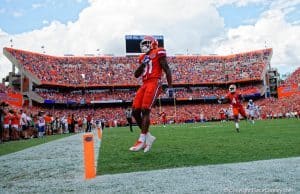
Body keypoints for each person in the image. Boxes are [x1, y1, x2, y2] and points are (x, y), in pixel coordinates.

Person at [130, 35, 172, 153]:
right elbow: (136, 75)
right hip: (144, 83)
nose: (144, 46)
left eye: (146, 43)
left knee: (145, 109)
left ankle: (142, 139)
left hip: (154, 82)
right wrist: (143, 64)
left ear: (153, 43)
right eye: (143, 44)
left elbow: (167, 69)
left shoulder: (158, 52)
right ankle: (148, 137)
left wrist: (170, 87)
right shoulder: (143, 57)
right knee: (135, 111)